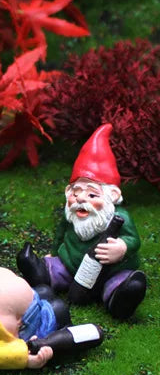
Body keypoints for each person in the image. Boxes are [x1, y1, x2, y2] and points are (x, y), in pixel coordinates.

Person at [16, 124, 146, 320]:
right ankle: (43, 273)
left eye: (92, 194)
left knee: (119, 282)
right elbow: (60, 234)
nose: (81, 199)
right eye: (76, 193)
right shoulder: (72, 215)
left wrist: (122, 247)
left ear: (112, 195)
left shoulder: (120, 217)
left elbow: (133, 239)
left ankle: (120, 297)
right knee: (56, 268)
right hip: (69, 264)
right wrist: (54, 251)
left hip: (111, 270)